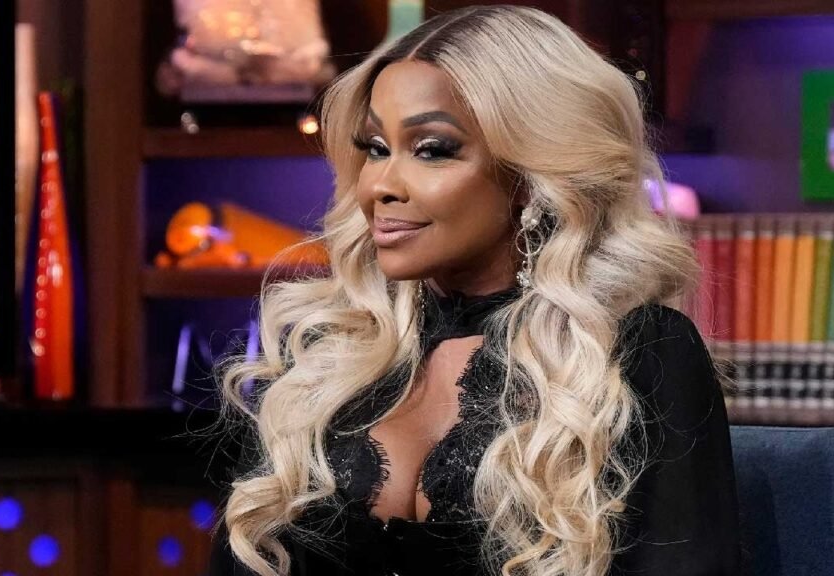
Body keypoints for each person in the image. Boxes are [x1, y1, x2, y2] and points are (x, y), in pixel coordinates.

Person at [208, 6, 743, 576]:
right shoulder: (323, 358)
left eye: (432, 149)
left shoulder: (638, 353)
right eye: (376, 148)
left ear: (528, 173)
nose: (380, 185)